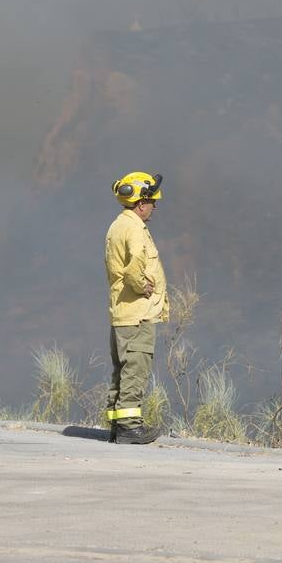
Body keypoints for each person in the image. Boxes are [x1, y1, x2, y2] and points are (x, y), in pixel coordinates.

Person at [104, 172, 168, 444]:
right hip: (137, 313)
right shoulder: (134, 229)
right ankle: (130, 428)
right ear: (141, 204)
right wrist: (144, 286)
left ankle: (118, 426)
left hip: (123, 313)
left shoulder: (118, 225)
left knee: (122, 370)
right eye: (152, 202)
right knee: (136, 368)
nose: (154, 207)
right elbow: (133, 270)